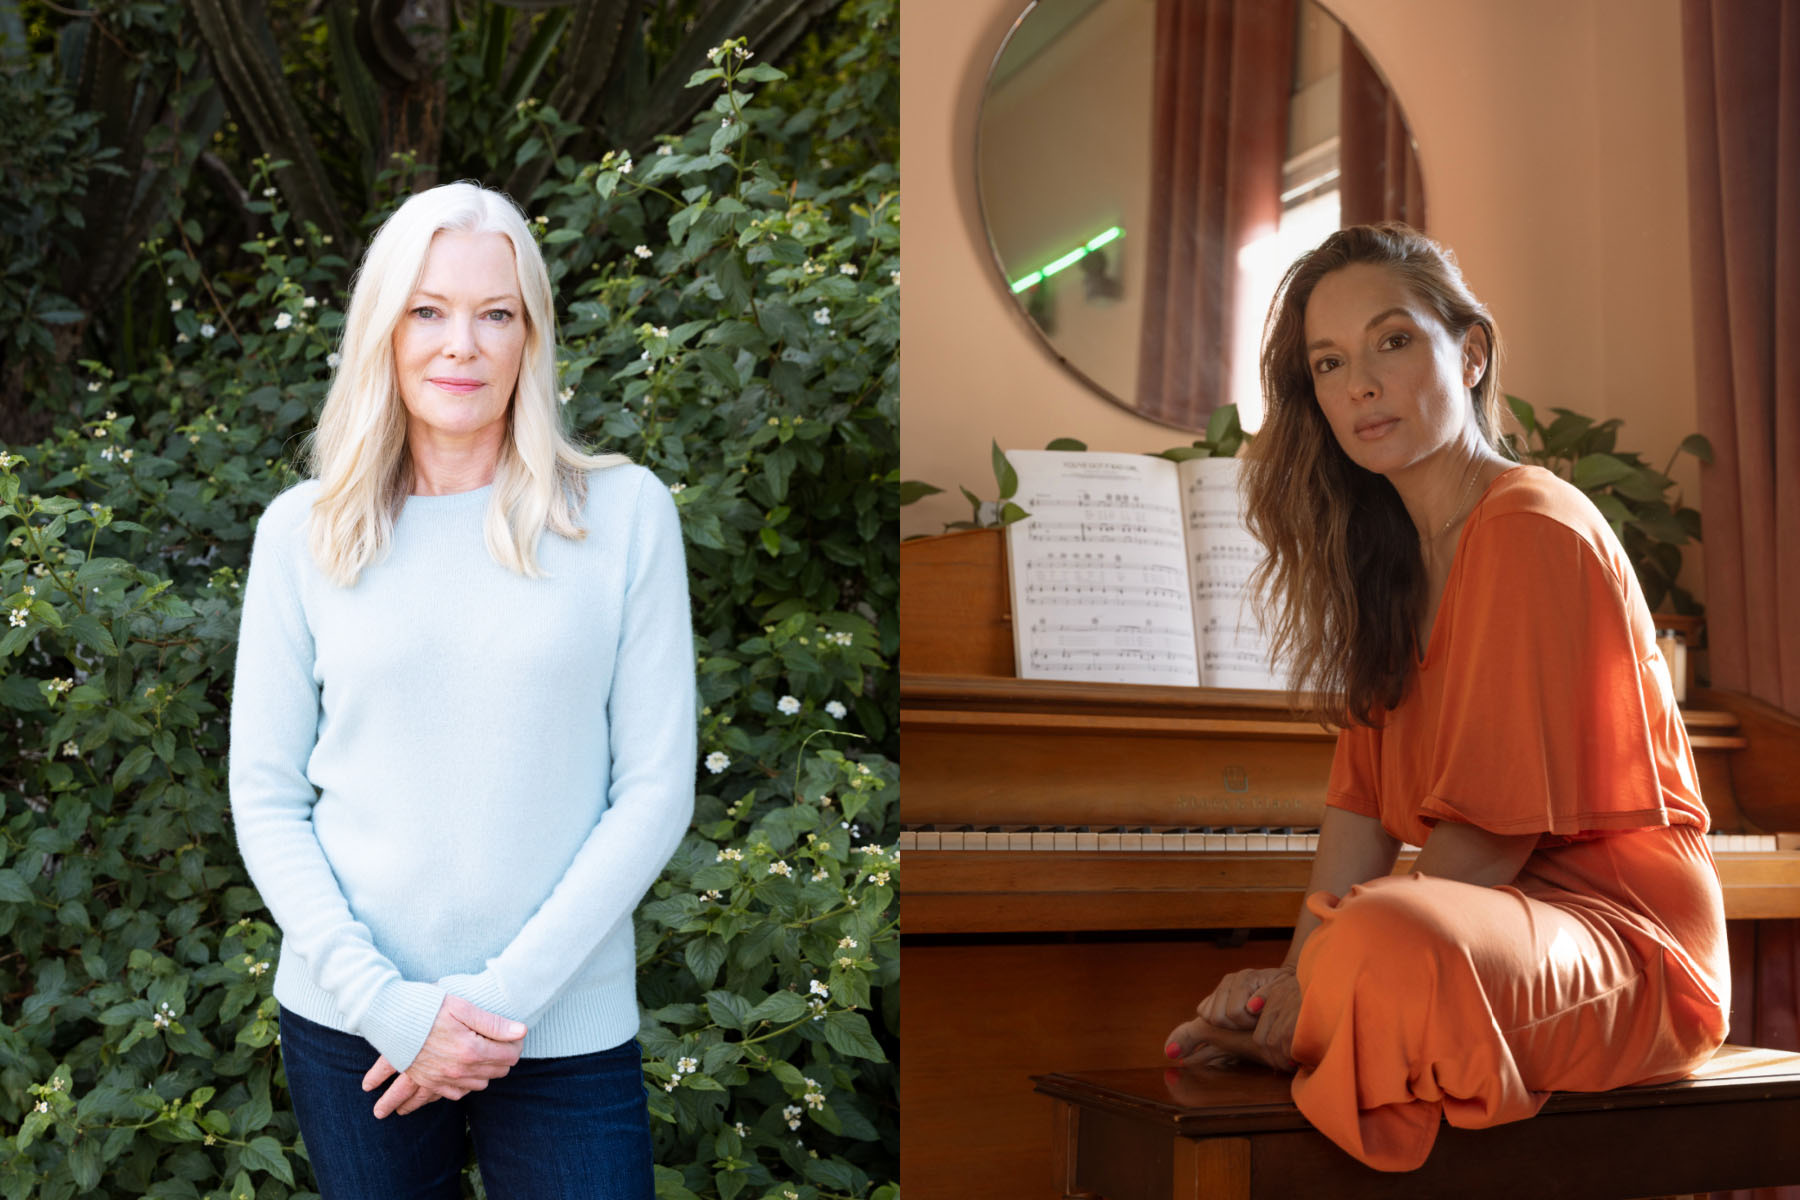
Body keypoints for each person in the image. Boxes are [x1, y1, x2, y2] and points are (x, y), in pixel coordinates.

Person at [1161, 223, 1729, 1172]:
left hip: (1629, 949)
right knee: (1365, 935)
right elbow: (1353, 827)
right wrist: (1301, 976)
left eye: (1392, 341)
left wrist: (1310, 985)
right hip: (1484, 923)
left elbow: (1488, 840)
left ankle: (1317, 1026)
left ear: (1468, 353)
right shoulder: (1380, 563)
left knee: (1382, 934)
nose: (1360, 385)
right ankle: (1317, 1021)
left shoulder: (1530, 525)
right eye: (1329, 362)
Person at [228, 181, 694, 1199]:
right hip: (355, 1028)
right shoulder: (301, 534)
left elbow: (655, 789)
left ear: (531, 336)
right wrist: (394, 1010)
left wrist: (495, 1007)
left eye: (496, 315)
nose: (462, 347)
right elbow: (266, 798)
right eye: (428, 311)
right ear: (383, 331)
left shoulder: (623, 516)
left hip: (562, 1029)